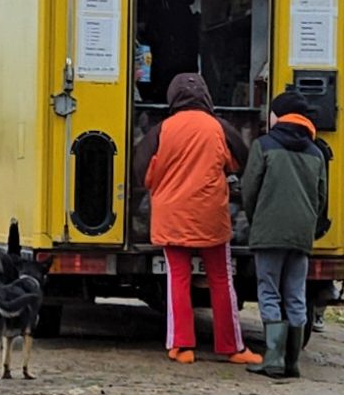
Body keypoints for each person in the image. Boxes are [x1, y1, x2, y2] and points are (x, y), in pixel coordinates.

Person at [133, 73, 261, 366]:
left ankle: (182, 347)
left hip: (171, 216)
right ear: (205, 96)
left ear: (173, 98)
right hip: (210, 216)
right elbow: (240, 158)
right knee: (220, 280)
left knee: (178, 279)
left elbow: (142, 170)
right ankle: (232, 348)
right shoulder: (218, 127)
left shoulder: (161, 130)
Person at [240, 91, 328, 379]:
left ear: (278, 115)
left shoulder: (263, 146)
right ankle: (292, 363)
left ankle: (273, 360)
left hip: (268, 231)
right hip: (301, 235)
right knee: (295, 294)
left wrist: (256, 220)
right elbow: (320, 197)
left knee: (269, 291)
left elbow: (249, 190)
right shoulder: (316, 152)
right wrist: (310, 226)